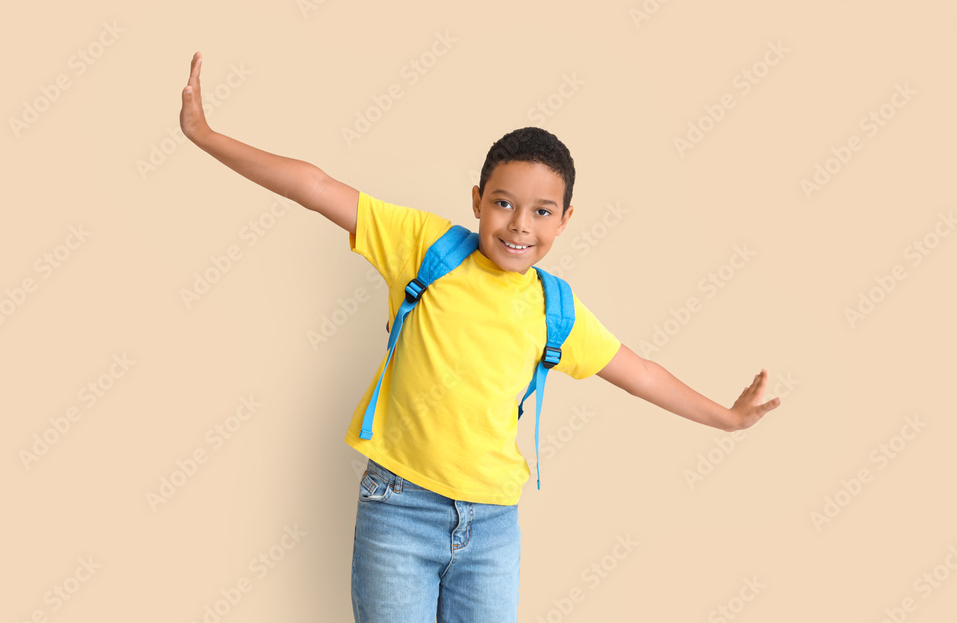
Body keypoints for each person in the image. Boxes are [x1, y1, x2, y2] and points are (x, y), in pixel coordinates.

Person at [179, 51, 780, 622]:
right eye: (503, 203)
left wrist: (725, 419)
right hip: (399, 510)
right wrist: (206, 134)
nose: (520, 224)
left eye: (543, 211)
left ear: (565, 219)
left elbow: (641, 372)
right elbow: (313, 185)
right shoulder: (426, 247)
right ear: (477, 201)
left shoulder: (556, 311)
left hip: (492, 527)